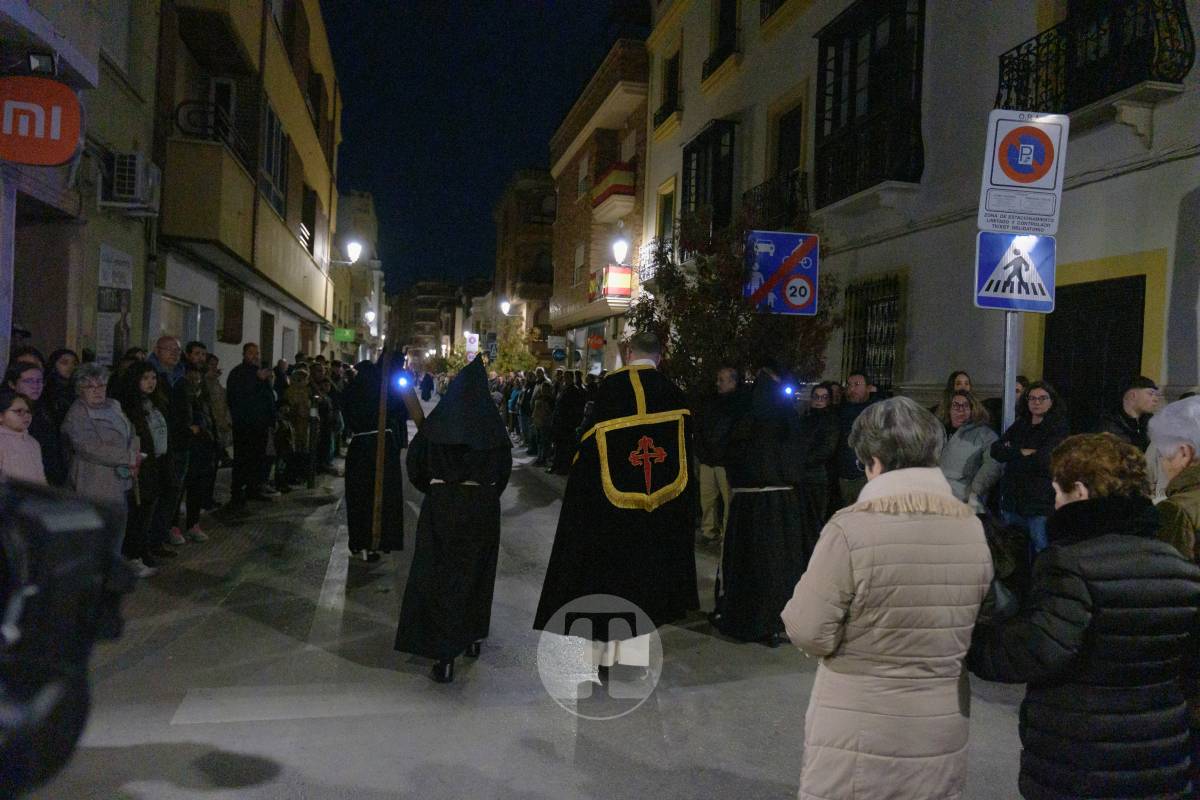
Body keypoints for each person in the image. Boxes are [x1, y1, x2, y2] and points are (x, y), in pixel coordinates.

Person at [782, 396, 993, 800]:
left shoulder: (850, 529)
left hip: (860, 722)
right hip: (940, 718)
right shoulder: (970, 528)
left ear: (873, 460)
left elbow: (809, 630)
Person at [969, 433, 1200, 800]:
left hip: (1082, 752)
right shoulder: (1179, 568)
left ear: (1079, 491)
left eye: (1057, 492)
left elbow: (1036, 651)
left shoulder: (1070, 564)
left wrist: (973, 641)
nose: (1054, 503)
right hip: (1160, 750)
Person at [535, 333, 698, 677]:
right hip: (657, 516)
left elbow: (587, 458)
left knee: (607, 582)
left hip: (610, 516)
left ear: (627, 353)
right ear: (661, 356)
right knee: (643, 583)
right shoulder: (673, 395)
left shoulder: (609, 393)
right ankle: (633, 661)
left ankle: (601, 661)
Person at [396, 357, 511, 683]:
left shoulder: (439, 424)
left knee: (440, 576)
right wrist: (484, 496)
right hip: (481, 507)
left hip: (443, 506)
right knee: (476, 573)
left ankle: (444, 655)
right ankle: (472, 637)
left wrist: (438, 491)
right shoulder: (493, 427)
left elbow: (416, 466)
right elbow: (502, 473)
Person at [714, 365, 819, 645]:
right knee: (776, 566)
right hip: (779, 507)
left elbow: (725, 452)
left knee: (751, 565)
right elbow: (798, 459)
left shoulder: (744, 420)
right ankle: (774, 620)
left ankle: (748, 617)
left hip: (750, 506)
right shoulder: (787, 419)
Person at [61, 363, 139, 550]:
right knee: (97, 537)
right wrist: (128, 456)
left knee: (116, 530)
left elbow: (130, 430)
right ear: (80, 389)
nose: (97, 391)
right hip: (94, 480)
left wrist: (134, 452)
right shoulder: (78, 412)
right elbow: (88, 447)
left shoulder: (114, 405)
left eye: (101, 386)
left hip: (120, 478)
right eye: (90, 387)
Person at [992, 380, 1069, 558]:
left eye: (1042, 398)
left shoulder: (1058, 428)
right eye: (1032, 398)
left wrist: (1013, 454)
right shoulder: (1021, 425)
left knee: (1041, 548)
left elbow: (1044, 460)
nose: (1036, 402)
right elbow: (996, 450)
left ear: (1052, 401)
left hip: (1039, 502)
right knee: (1012, 550)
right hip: (1013, 499)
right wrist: (1022, 452)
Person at [342, 359, 407, 560]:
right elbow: (401, 411)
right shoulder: (384, 391)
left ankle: (361, 541)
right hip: (382, 446)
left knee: (360, 496)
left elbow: (346, 411)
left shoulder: (352, 390)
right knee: (381, 494)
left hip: (361, 447)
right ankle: (379, 541)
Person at [114, 362, 169, 577]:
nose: (150, 383)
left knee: (147, 510)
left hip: (154, 463)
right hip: (138, 464)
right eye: (145, 378)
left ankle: (141, 550)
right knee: (137, 511)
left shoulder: (154, 404)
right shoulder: (128, 407)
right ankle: (133, 554)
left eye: (153, 378)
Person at [694, 366, 744, 544]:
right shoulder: (711, 402)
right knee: (707, 499)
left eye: (722, 380)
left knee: (728, 501)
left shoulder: (740, 403)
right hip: (708, 460)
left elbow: (736, 433)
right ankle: (709, 531)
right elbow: (700, 427)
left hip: (725, 462)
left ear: (732, 381)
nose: (718, 383)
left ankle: (727, 534)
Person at [226, 343, 278, 508]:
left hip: (261, 426)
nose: (255, 356)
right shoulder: (238, 373)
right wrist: (258, 379)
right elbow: (239, 396)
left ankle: (253, 489)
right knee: (243, 460)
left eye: (257, 353)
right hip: (245, 426)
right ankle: (237, 495)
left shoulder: (259, 374)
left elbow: (267, 398)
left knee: (258, 459)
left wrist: (271, 420)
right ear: (244, 354)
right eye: (251, 353)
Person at [1151, 396, 1200, 561]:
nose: (1163, 464)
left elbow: (1170, 580)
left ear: (1184, 453)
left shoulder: (1176, 511)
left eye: (1162, 455)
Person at [939, 389, 1002, 511]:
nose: (960, 410)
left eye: (965, 406)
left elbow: (994, 463)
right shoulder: (938, 432)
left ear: (973, 409)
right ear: (948, 409)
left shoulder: (985, 434)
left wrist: (975, 492)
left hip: (964, 502)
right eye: (955, 405)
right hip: (936, 498)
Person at [5, 362, 66, 486]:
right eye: (28, 381)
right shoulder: (7, 411)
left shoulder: (46, 408)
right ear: (12, 384)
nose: (36, 386)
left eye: (39, 381)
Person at [833, 371, 877, 506]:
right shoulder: (840, 411)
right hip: (844, 475)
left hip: (866, 475)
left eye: (857, 384)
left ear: (869, 387)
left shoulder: (876, 411)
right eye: (849, 385)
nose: (852, 389)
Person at [800, 382, 839, 525]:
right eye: (816, 397)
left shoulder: (830, 420)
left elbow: (826, 449)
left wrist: (803, 460)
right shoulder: (805, 417)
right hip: (805, 474)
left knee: (815, 517)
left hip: (819, 475)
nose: (819, 401)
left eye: (823, 397)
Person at [1097, 375, 1160, 451]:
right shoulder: (1109, 426)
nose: (1155, 399)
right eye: (1150, 394)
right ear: (1133, 395)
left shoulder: (1150, 424)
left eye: (1156, 395)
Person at [0, 389, 45, 484]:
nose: (26, 415)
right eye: (18, 411)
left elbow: (41, 478)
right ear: (1, 416)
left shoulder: (33, 442)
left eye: (28, 411)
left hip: (32, 497)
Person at [549, 370, 586, 475]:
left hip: (567, 424)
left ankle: (563, 468)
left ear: (572, 378)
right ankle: (556, 465)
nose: (565, 378)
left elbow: (575, 409)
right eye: (564, 377)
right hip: (560, 422)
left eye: (567, 377)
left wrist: (572, 423)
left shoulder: (574, 390)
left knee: (565, 447)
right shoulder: (564, 388)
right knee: (558, 445)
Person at [42, 348, 78, 427]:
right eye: (64, 363)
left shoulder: (78, 389)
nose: (70, 367)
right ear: (53, 365)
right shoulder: (45, 391)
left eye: (74, 363)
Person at [531, 367, 555, 466]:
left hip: (545, 423)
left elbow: (549, 412)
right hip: (538, 422)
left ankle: (543, 459)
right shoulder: (539, 396)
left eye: (546, 389)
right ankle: (539, 458)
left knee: (545, 442)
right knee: (539, 441)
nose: (544, 390)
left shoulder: (550, 400)